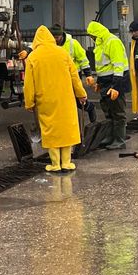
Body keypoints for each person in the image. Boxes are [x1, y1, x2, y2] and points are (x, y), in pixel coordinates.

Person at [24, 26, 88, 172]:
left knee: (50, 130)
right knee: (66, 128)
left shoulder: (33, 57)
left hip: (45, 100)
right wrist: (81, 94)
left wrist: (29, 102)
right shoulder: (63, 53)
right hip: (65, 98)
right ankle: (66, 162)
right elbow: (75, 78)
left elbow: (29, 84)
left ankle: (55, 164)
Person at [86, 21, 130, 150]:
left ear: (97, 34)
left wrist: (116, 86)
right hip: (107, 81)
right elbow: (102, 66)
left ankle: (119, 140)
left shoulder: (112, 41)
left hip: (116, 80)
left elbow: (118, 65)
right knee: (109, 110)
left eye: (92, 36)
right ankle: (111, 137)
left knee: (118, 111)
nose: (91, 38)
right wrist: (99, 82)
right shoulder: (101, 43)